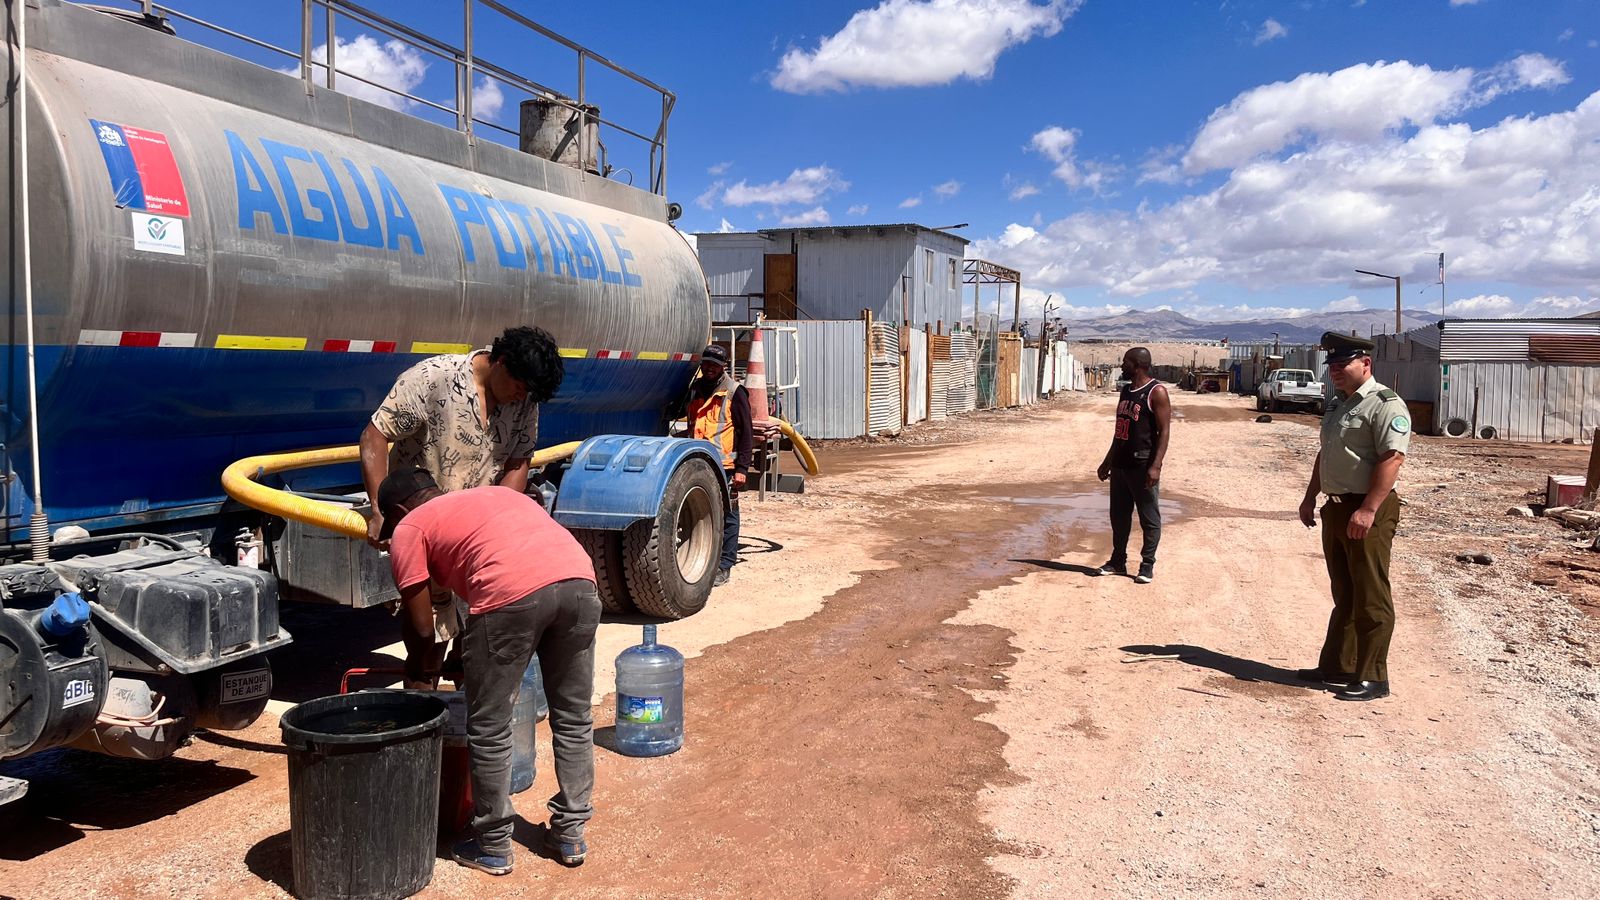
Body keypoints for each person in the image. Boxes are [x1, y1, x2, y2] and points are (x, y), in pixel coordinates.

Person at [378, 466, 600, 874]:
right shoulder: (494, 496)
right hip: (580, 582)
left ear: (395, 510)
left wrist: (423, 667)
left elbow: (423, 626)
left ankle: (494, 843)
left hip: (511, 596)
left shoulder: (409, 526)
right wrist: (467, 652)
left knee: (490, 725)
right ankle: (570, 833)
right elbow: (491, 566)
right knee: (572, 716)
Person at [360, 325, 565, 688]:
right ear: (500, 362)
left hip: (478, 545)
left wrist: (504, 523)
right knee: (428, 647)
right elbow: (375, 435)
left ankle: (466, 736)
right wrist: (379, 510)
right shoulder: (434, 379)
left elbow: (519, 462)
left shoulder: (525, 402)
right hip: (427, 537)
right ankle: (421, 729)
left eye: (529, 393)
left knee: (479, 651)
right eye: (519, 386)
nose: (521, 397)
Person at [1295, 332, 1410, 702]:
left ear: (1366, 364)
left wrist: (1369, 509)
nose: (1334, 371)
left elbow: (1392, 459)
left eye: (1342, 364)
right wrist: (1310, 496)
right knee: (1344, 592)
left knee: (1370, 594)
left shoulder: (1385, 405)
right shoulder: (1337, 405)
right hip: (1338, 507)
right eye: (1331, 365)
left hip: (1367, 509)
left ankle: (1374, 676)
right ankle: (1338, 666)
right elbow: (1325, 453)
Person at [1094, 347, 1170, 584]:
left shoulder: (1156, 392)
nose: (1122, 365)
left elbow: (1165, 431)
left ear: (1137, 364)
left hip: (1142, 464)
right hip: (1120, 464)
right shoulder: (1126, 391)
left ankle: (1147, 564)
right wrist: (1107, 461)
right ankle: (1118, 560)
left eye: (1125, 362)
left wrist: (1156, 465)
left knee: (1149, 517)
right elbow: (1120, 432)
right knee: (1119, 516)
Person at [683, 343, 752, 587]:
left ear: (723, 367)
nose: (710, 368)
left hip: (726, 465)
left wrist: (743, 469)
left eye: (715, 365)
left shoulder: (735, 392)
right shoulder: (695, 389)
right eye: (707, 364)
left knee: (729, 515)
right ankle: (706, 559)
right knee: (704, 513)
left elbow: (746, 433)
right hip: (699, 462)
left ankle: (725, 565)